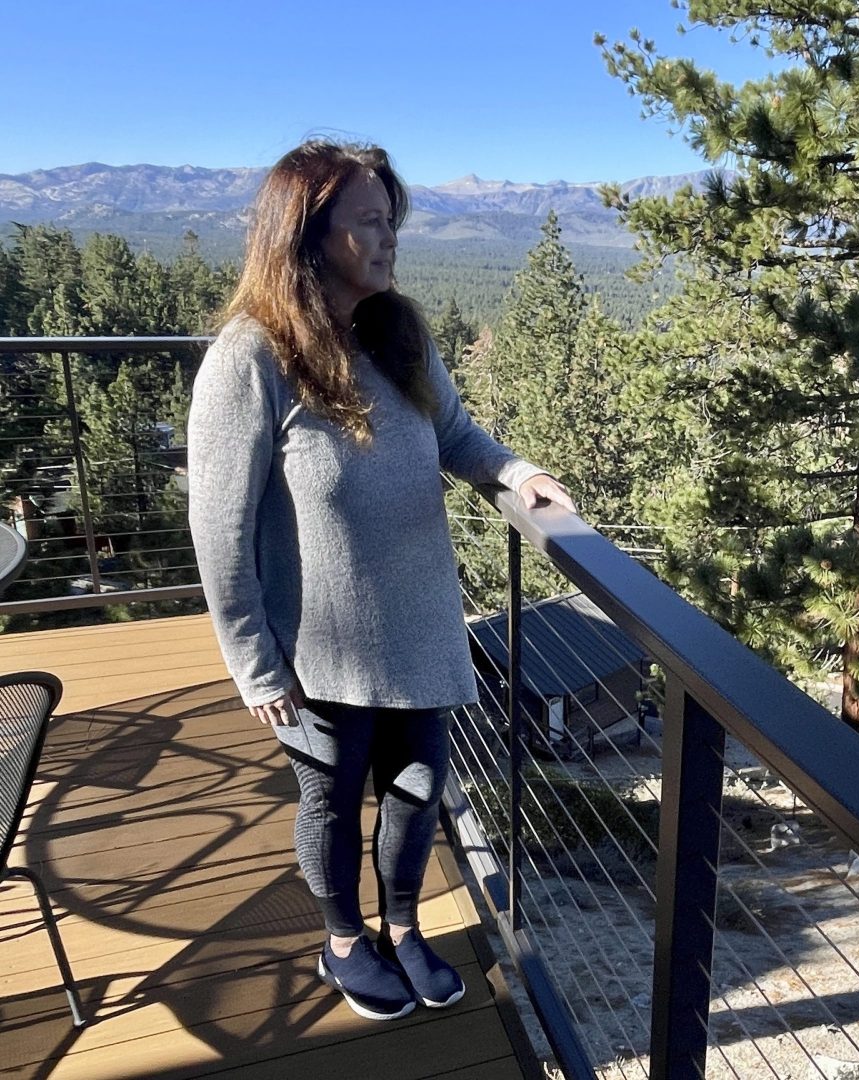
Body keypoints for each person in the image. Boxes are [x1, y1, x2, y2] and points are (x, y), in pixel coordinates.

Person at [187, 140, 573, 1022]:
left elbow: (458, 435)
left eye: (390, 217)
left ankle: (402, 928)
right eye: (367, 220)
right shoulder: (252, 356)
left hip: (417, 621)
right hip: (317, 648)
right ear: (309, 235)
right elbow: (219, 531)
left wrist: (517, 477)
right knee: (330, 803)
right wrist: (254, 663)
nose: (387, 234)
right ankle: (341, 941)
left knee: (416, 789)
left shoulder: (397, 329)